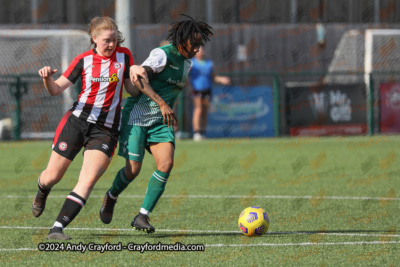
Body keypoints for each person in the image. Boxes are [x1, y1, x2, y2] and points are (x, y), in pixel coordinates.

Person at [99, 15, 213, 233]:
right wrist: (161, 103)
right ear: (183, 39)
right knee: (133, 170)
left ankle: (142, 216)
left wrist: (167, 110)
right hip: (136, 118)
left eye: (200, 45)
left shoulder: (187, 63)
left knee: (166, 164)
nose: (198, 49)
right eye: (194, 44)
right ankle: (111, 196)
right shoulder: (162, 54)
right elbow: (139, 78)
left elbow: (171, 92)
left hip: (160, 123)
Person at [32, 16, 140, 240]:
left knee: (88, 179)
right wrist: (46, 79)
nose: (111, 45)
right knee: (52, 176)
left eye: (113, 40)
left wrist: (138, 77)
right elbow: (56, 89)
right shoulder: (82, 60)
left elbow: (132, 90)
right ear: (94, 38)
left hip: (106, 129)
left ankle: (57, 228)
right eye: (106, 41)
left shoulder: (125, 55)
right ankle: (42, 190)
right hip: (76, 122)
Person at [189, 46, 230, 141]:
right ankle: (196, 132)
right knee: (198, 109)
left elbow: (214, 77)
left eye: (202, 50)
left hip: (207, 89)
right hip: (196, 89)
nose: (200, 52)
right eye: (198, 50)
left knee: (205, 111)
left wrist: (221, 79)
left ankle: (203, 132)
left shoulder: (209, 63)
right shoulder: (192, 63)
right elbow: (187, 76)